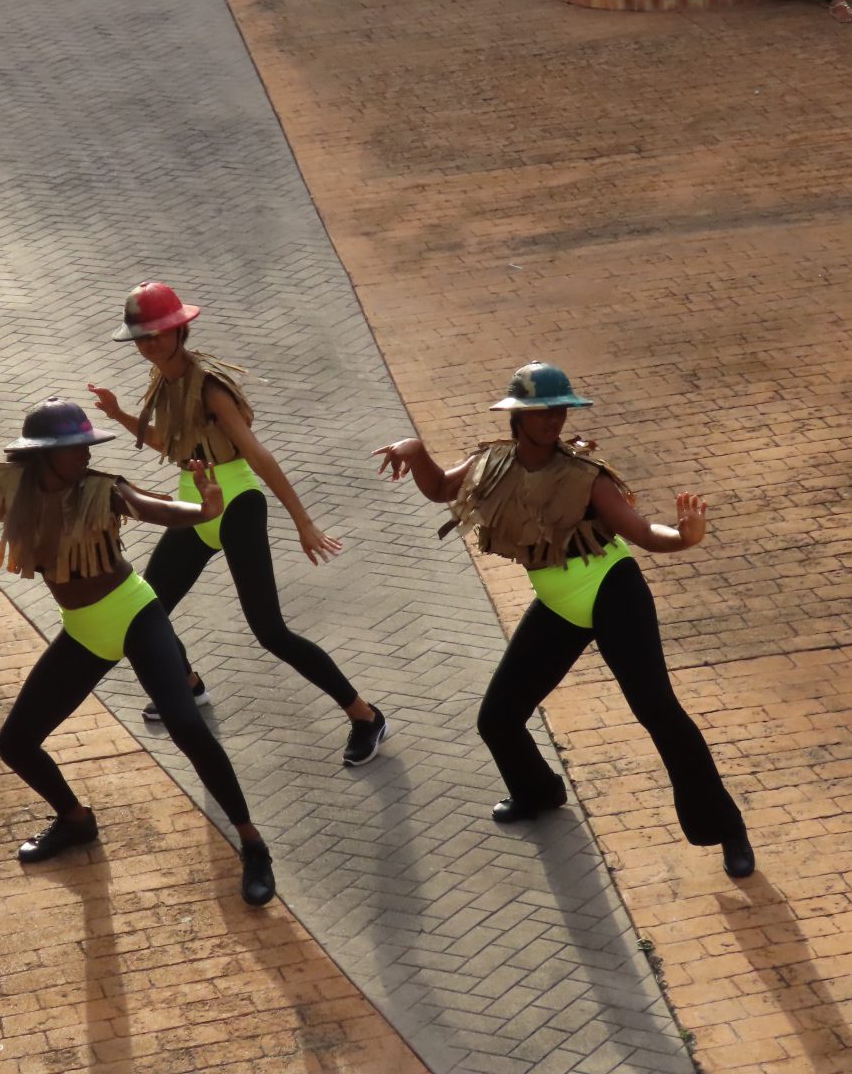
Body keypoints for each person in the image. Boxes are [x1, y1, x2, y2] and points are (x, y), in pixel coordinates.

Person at [0, 398, 276, 905]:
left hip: (135, 616)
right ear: (43, 453)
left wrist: (205, 510)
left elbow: (159, 510)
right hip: (83, 631)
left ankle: (253, 844)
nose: (85, 454)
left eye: (87, 445)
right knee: (16, 743)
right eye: (74, 447)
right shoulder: (11, 485)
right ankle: (76, 821)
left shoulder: (102, 489)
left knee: (186, 725)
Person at [374, 364, 755, 878]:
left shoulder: (586, 477)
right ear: (517, 415)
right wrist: (416, 450)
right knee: (498, 717)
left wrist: (684, 538)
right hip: (558, 606)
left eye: (561, 409)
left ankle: (727, 829)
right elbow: (441, 488)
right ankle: (538, 792)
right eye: (542, 410)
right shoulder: (492, 462)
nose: (554, 419)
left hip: (613, 593)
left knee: (658, 712)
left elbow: (644, 533)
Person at [87, 282, 390, 767]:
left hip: (237, 503)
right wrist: (119, 412)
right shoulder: (165, 380)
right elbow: (173, 445)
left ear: (180, 330)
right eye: (141, 337)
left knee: (270, 631)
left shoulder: (209, 386)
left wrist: (303, 522)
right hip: (195, 502)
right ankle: (188, 686)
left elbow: (257, 454)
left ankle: (365, 716)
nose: (149, 345)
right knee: (145, 610)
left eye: (157, 334)